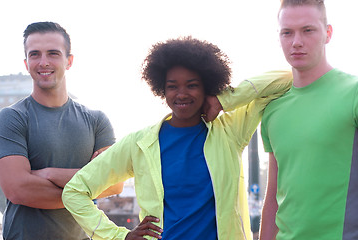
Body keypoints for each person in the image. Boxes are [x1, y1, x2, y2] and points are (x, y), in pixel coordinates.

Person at [62, 36, 292, 240]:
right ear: (162, 89)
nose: (181, 94)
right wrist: (118, 236)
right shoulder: (139, 144)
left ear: (207, 88)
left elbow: (286, 79)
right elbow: (75, 191)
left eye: (192, 85)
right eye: (172, 87)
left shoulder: (229, 132)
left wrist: (226, 100)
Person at [0, 21, 122, 240]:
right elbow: (18, 190)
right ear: (26, 63)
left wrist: (49, 174)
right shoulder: (12, 118)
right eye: (35, 55)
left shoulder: (96, 121)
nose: (43, 62)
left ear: (69, 61)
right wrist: (87, 185)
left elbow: (114, 183)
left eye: (53, 53)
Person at [259, 1, 358, 239]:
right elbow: (273, 197)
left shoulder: (353, 93)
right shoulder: (273, 109)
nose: (296, 42)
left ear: (328, 33)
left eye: (308, 30)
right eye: (287, 32)